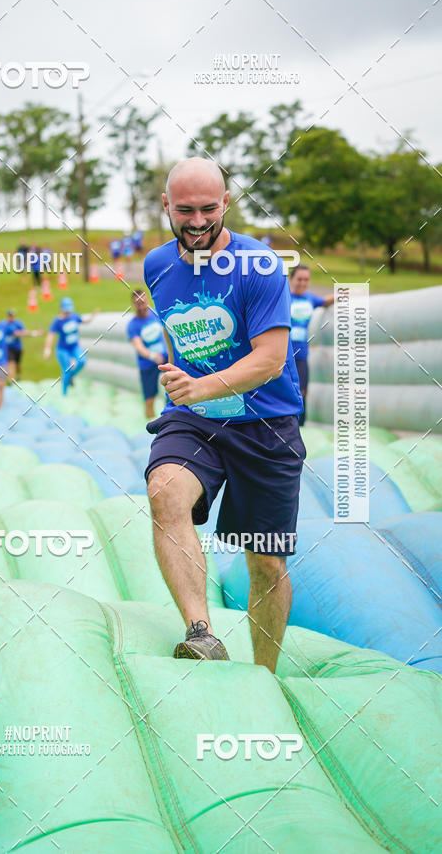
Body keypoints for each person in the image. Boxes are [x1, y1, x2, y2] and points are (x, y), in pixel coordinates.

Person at [143, 157, 305, 671]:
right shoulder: (156, 265)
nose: (196, 221)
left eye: (208, 209)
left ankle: (265, 676)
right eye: (184, 210)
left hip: (266, 426)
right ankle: (201, 632)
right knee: (165, 490)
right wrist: (186, 386)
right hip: (197, 418)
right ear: (166, 206)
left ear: (227, 203)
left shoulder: (259, 266)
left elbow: (271, 358)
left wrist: (201, 383)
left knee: (265, 562)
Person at [289, 264, 334, 426]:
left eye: (306, 279)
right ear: (291, 279)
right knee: (285, 393)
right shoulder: (284, 297)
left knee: (301, 392)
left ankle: (300, 428)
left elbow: (324, 301)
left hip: (301, 355)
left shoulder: (309, 298)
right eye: (299, 279)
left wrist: (344, 295)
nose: (302, 283)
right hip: (284, 355)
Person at [127, 290, 168, 418]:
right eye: (138, 303)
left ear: (148, 301)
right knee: (149, 399)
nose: (142, 306)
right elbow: (138, 346)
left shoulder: (156, 313)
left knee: (174, 391)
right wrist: (152, 356)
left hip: (166, 358)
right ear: (134, 305)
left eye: (143, 302)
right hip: (147, 363)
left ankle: (169, 419)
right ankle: (149, 422)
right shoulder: (133, 325)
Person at [43, 297, 97, 395]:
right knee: (66, 370)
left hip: (74, 347)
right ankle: (64, 393)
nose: (68, 312)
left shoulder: (74, 316)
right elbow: (51, 335)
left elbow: (84, 321)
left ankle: (72, 376)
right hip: (62, 349)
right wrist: (47, 349)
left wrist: (92, 317)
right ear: (61, 309)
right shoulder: (57, 321)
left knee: (82, 360)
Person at [1, 309, 38, 383]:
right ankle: (10, 380)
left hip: (17, 347)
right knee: (11, 363)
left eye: (12, 316)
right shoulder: (4, 324)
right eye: (10, 316)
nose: (11, 317)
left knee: (18, 364)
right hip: (8, 348)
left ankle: (18, 375)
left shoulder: (18, 323)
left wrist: (22, 333)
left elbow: (23, 332)